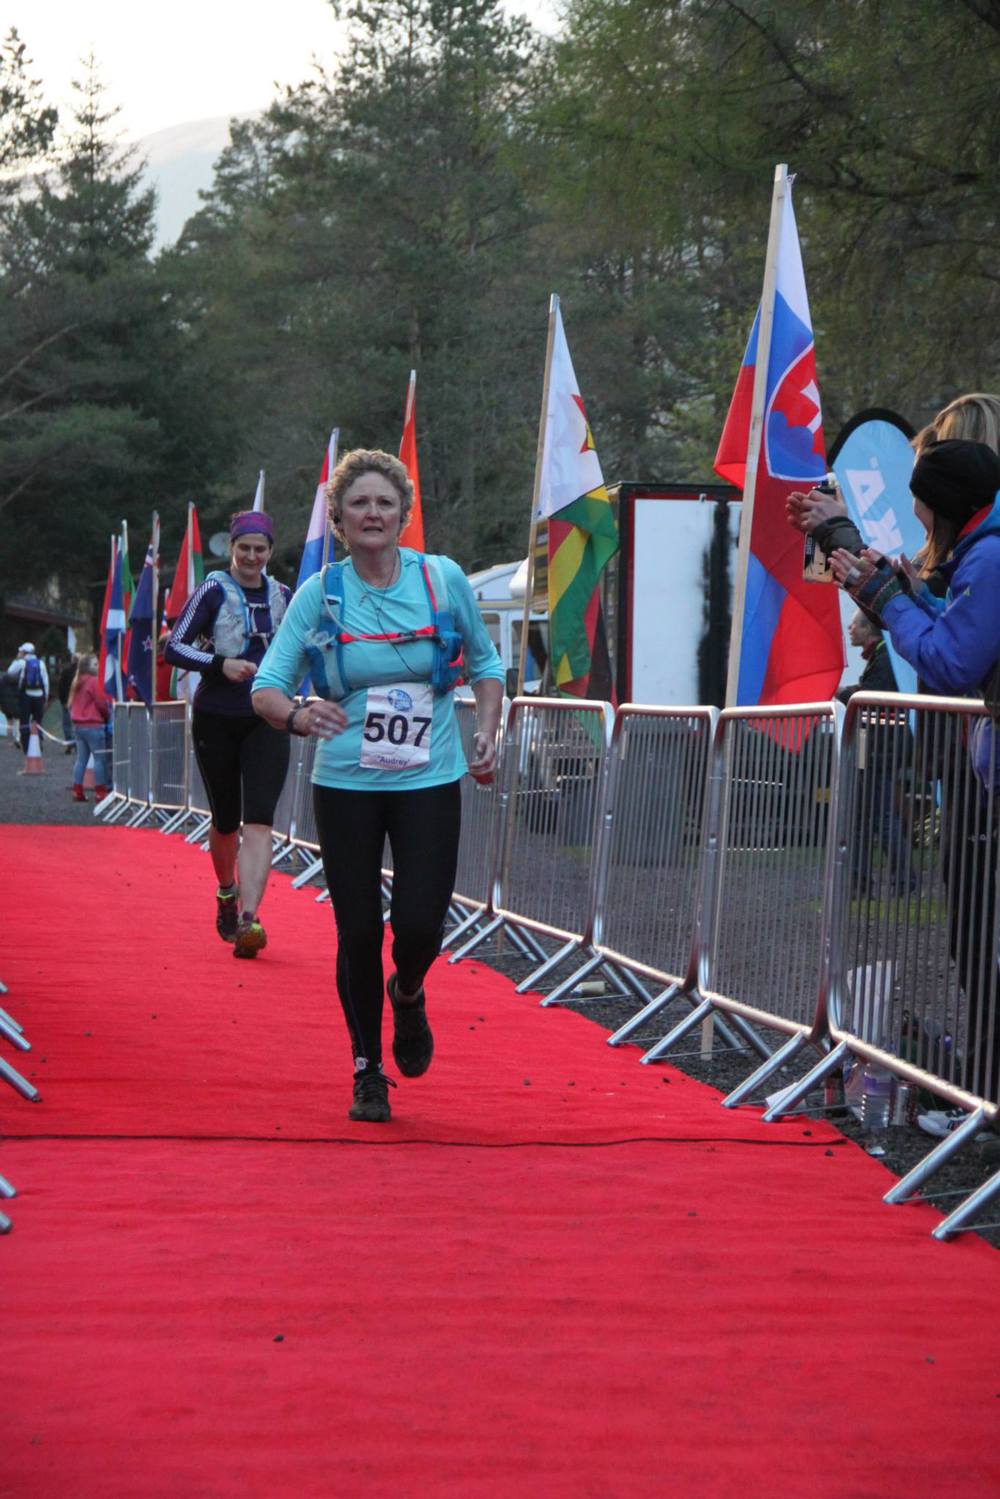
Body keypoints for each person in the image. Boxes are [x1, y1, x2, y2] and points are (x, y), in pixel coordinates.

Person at [251, 448, 504, 1123]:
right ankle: (368, 1067)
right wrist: (302, 715)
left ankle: (410, 987)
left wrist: (489, 725)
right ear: (338, 518)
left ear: (404, 516)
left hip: (430, 775)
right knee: (357, 927)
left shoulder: (442, 579)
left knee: (419, 922)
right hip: (346, 782)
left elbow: (485, 663)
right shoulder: (321, 593)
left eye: (384, 503)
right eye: (359, 503)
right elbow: (266, 688)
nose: (373, 513)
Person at [831, 438, 1000, 1109]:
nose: (921, 523)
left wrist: (885, 599)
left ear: (950, 506)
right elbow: (965, 632)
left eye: (923, 510)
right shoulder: (982, 549)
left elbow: (953, 662)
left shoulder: (987, 557)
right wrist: (898, 591)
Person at [164, 511, 292, 959]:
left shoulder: (284, 596)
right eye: (245, 548)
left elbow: (305, 649)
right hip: (217, 716)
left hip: (267, 718)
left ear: (271, 552)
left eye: (260, 549)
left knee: (260, 819)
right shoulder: (213, 590)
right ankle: (225, 892)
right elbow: (172, 646)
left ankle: (249, 919)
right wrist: (221, 665)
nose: (252, 557)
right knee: (226, 820)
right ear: (232, 548)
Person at [836, 611, 910, 895]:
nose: (850, 628)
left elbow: (872, 694)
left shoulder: (883, 658)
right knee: (864, 817)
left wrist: (843, 693)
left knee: (881, 818)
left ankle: (904, 881)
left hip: (879, 749)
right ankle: (861, 882)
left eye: (854, 624)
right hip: (874, 747)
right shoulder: (880, 656)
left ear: (869, 630)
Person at [68, 654, 111, 801]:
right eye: (95, 664)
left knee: (81, 760)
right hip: (94, 725)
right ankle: (100, 791)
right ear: (88, 667)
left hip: (79, 726)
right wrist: (107, 715)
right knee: (100, 759)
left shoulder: (77, 682)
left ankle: (77, 790)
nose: (98, 666)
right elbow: (101, 703)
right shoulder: (94, 682)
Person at [7, 642, 49, 752]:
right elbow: (45, 682)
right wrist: (45, 697)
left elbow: (10, 672)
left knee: (24, 721)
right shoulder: (41, 663)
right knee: (37, 721)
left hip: (26, 696)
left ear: (24, 652)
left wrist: (17, 659)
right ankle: (38, 743)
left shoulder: (21, 662)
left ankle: (26, 747)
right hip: (39, 696)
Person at [57, 654, 79, 753]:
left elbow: (61, 687)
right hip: (79, 703)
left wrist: (62, 700)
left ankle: (69, 742)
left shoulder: (66, 671)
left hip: (67, 701)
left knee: (67, 724)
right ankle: (78, 743)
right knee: (78, 724)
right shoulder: (82, 673)